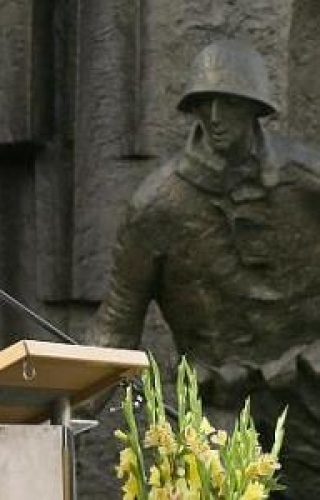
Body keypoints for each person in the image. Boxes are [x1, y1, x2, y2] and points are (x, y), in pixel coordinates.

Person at [88, 40, 320, 499]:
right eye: (203, 104)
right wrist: (58, 403)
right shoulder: (159, 207)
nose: (215, 116)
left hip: (312, 407)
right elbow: (116, 325)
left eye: (230, 103)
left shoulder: (308, 182)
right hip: (221, 420)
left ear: (256, 108)